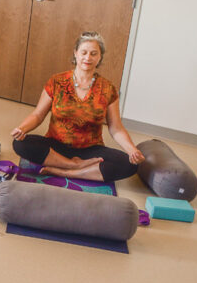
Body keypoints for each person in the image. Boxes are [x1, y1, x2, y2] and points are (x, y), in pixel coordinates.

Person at [11, 31, 144, 182]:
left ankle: (65, 172)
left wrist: (132, 150)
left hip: (90, 151)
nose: (88, 58)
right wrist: (22, 129)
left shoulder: (108, 89)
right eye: (84, 52)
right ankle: (73, 165)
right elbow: (38, 115)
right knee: (20, 144)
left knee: (129, 165)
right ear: (76, 53)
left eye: (93, 53)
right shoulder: (57, 81)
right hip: (56, 147)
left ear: (100, 57)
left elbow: (116, 128)